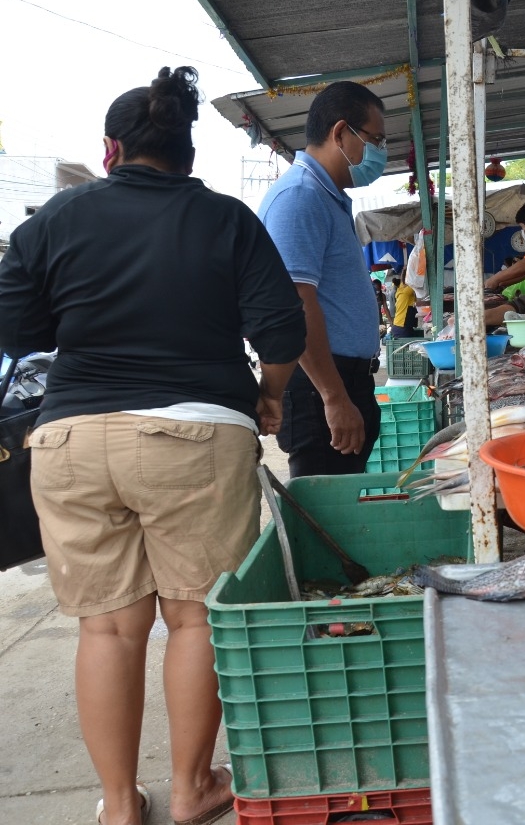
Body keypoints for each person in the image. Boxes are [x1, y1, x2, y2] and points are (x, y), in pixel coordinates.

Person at [0, 66, 306, 825]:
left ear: (110, 150)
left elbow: (14, 327)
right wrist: (268, 396)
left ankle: (117, 804)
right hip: (198, 432)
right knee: (197, 614)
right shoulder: (227, 219)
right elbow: (282, 332)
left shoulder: (53, 222)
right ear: (188, 152)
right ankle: (195, 784)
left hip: (71, 437)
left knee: (106, 624)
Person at [258, 81, 387, 477]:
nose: (381, 152)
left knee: (345, 514)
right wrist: (334, 397)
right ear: (340, 133)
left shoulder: (324, 195)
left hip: (343, 378)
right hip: (321, 385)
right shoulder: (300, 197)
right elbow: (296, 303)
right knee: (327, 520)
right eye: (375, 139)